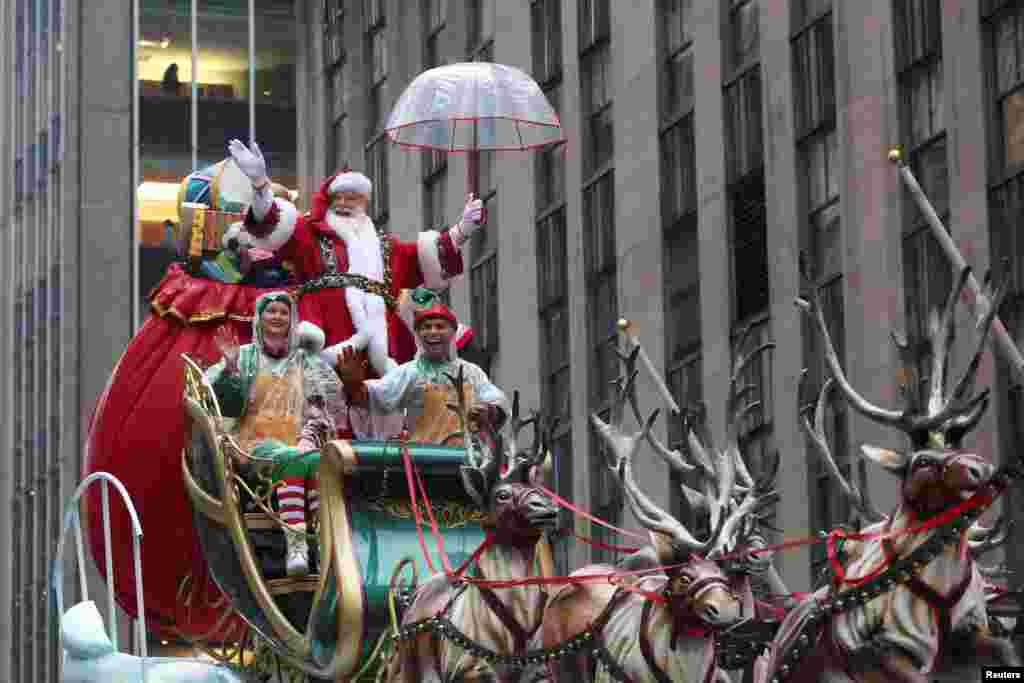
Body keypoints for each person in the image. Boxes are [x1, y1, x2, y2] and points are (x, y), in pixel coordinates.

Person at [226, 139, 485, 380]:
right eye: (340, 197)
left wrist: (462, 230)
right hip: (324, 333)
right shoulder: (309, 234)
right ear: (329, 202)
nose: (347, 204)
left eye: (355, 198)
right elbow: (270, 225)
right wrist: (260, 185)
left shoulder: (385, 245)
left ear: (364, 203)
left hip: (381, 341)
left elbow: (426, 256)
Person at [205, 291, 343, 576]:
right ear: (260, 318)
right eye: (272, 311)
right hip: (253, 449)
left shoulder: (307, 362)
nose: (278, 316)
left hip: (297, 449)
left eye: (284, 312)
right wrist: (231, 369)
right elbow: (225, 408)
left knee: (317, 465)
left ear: (292, 319)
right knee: (294, 459)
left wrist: (307, 439)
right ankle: (297, 542)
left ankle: (323, 543)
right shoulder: (244, 357)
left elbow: (321, 410)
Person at [336, 296, 509, 445]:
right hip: (424, 463)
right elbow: (372, 397)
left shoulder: (472, 372)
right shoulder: (409, 372)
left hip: (468, 462)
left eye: (440, 326)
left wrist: (489, 411)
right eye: (426, 327)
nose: (433, 332)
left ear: (453, 332)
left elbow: (496, 401)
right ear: (418, 334)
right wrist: (353, 383)